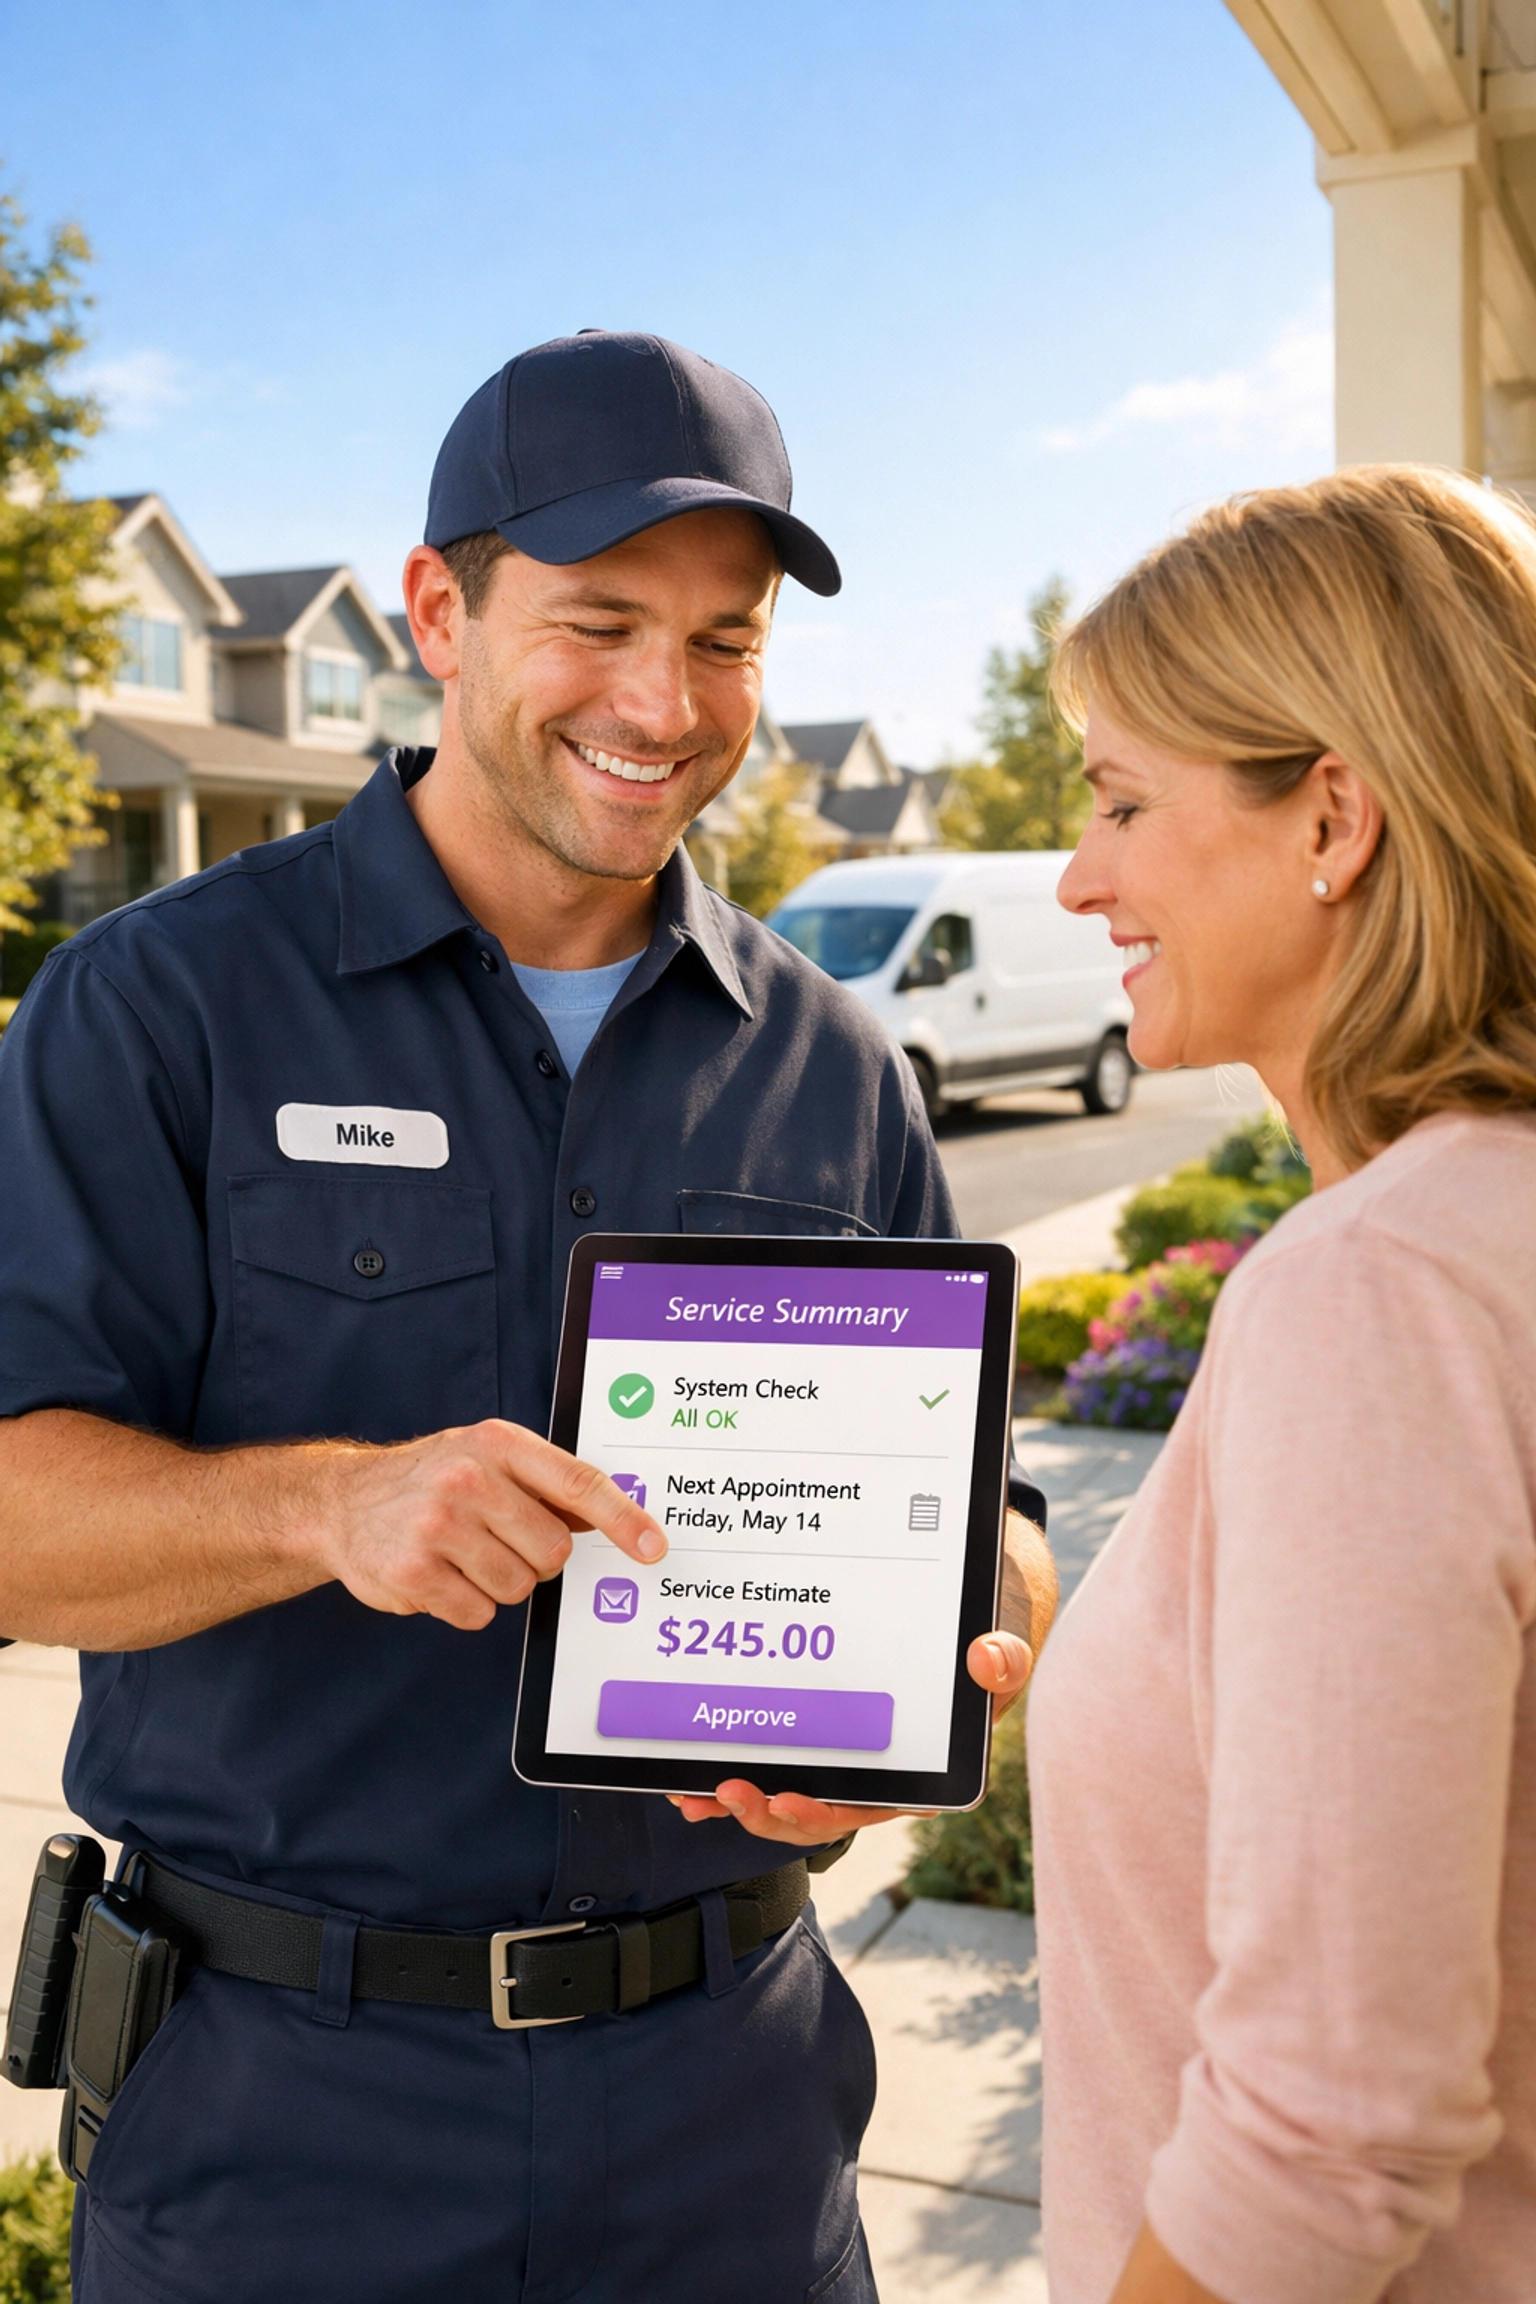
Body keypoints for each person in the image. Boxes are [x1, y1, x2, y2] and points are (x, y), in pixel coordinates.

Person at [0, 330, 1049, 2304]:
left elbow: (998, 1535)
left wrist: (944, 1678)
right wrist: (323, 1509)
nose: (667, 704)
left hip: (730, 2127)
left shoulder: (838, 1065)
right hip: (282, 2139)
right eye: (597, 622)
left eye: (726, 642)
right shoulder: (161, 1011)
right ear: (436, 617)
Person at [1021, 466, 1536, 2304]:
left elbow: (1325, 2143)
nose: (1082, 876)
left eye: (1123, 804)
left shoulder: (1373, 1290)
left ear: (1333, 815)